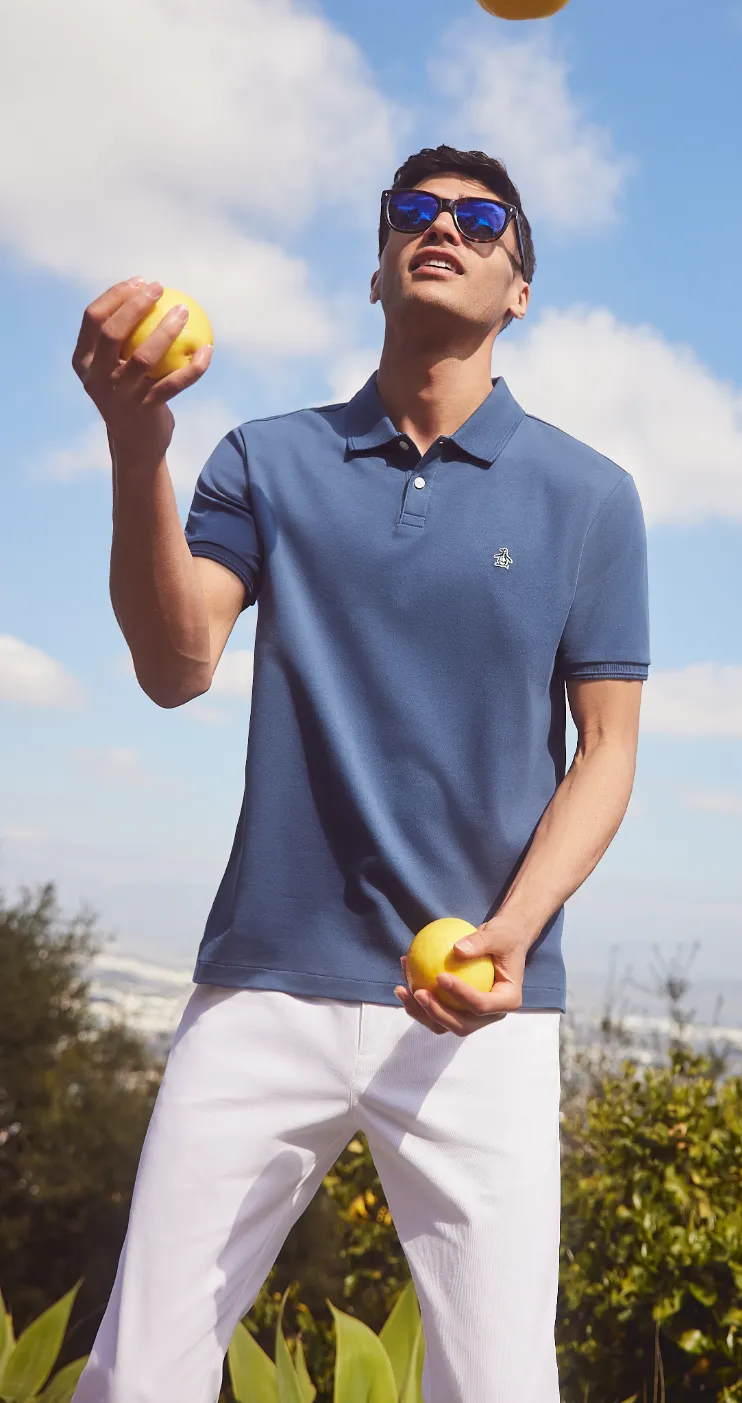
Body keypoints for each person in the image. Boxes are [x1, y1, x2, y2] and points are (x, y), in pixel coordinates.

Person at [70, 145, 649, 1403]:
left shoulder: (593, 496)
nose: (442, 226)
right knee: (138, 1371)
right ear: (379, 265)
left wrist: (512, 931)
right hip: (265, 979)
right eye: (414, 212)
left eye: (480, 217)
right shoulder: (264, 459)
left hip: (481, 1001)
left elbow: (608, 753)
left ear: (519, 288)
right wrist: (135, 445)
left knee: (499, 1387)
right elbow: (176, 665)